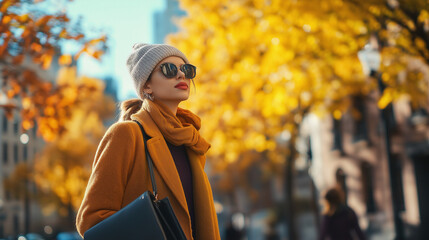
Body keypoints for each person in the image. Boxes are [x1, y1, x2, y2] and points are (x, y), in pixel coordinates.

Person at [76, 43, 221, 240]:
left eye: (186, 69)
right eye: (169, 69)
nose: (181, 75)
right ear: (146, 85)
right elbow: (91, 220)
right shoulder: (127, 134)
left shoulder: (191, 142)